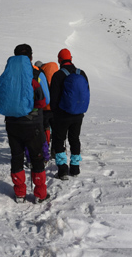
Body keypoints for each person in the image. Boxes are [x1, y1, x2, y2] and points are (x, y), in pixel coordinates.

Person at [0, 44, 50, 203]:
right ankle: (40, 195)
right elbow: (46, 100)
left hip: (12, 123)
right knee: (37, 158)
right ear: (30, 57)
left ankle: (20, 193)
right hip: (33, 123)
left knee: (16, 157)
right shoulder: (36, 74)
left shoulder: (5, 75)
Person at [49, 48, 89, 180]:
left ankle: (62, 169)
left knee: (59, 140)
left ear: (59, 60)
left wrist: (54, 113)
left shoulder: (58, 75)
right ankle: (75, 167)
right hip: (78, 114)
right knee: (75, 139)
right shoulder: (81, 73)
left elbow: (53, 98)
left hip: (62, 115)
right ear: (71, 58)